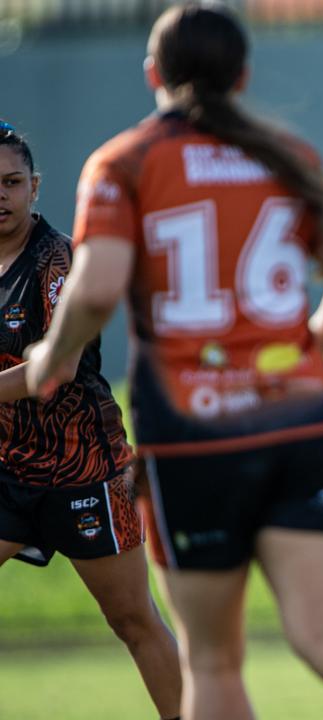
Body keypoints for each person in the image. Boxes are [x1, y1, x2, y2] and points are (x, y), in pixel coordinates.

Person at [22, 5, 323, 720]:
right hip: (303, 422)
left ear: (154, 73)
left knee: (214, 661)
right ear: (244, 75)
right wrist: (313, 341)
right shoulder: (287, 156)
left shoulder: (125, 162)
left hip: (194, 436)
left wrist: (50, 359)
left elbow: (95, 289)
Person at [0, 121, 182, 720]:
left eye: (12, 182)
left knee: (133, 620)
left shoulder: (58, 261)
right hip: (7, 469)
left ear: (35, 186)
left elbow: (54, 370)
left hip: (83, 467)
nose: (1, 195)